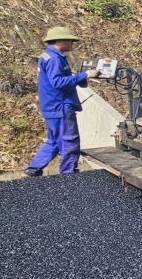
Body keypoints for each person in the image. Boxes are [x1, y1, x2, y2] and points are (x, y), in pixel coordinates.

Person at [24, 27, 98, 177]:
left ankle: (33, 169)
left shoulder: (47, 56)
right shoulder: (54, 59)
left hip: (50, 107)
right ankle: (68, 174)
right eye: (70, 40)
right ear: (60, 40)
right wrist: (84, 74)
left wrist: (80, 78)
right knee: (69, 140)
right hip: (60, 106)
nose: (72, 43)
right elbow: (58, 82)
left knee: (54, 140)